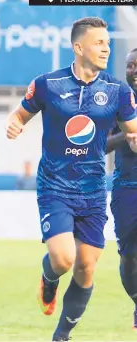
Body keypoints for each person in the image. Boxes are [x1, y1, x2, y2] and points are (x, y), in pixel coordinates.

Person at [6, 17, 137, 341]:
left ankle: (61, 335)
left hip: (93, 190)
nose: (106, 48)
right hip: (55, 185)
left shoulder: (117, 91)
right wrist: (14, 124)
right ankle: (48, 279)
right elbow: (19, 114)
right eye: (99, 43)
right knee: (64, 260)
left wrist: (134, 138)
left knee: (86, 267)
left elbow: (133, 132)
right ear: (79, 48)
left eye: (107, 42)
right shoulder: (48, 85)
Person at [106, 47, 137, 330]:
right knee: (129, 256)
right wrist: (127, 135)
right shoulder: (115, 102)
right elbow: (101, 145)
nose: (134, 70)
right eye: (130, 65)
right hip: (126, 187)